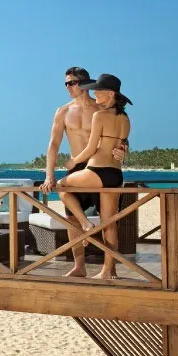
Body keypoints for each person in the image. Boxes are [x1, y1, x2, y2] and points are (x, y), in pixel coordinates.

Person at [40, 67, 126, 266]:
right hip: (77, 170)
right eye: (65, 84)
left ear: (84, 83)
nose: (67, 87)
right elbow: (53, 144)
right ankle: (79, 267)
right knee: (71, 218)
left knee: (108, 221)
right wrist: (49, 175)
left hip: (99, 167)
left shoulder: (101, 108)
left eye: (71, 83)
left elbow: (119, 136)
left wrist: (123, 150)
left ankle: (110, 269)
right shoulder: (63, 111)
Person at [58, 74, 132, 280]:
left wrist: (73, 162)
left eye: (98, 90)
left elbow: (91, 149)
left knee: (61, 187)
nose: (94, 93)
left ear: (110, 94)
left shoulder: (99, 116)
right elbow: (123, 145)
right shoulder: (125, 118)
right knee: (109, 224)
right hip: (116, 174)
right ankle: (108, 271)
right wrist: (123, 153)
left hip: (97, 171)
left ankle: (85, 224)